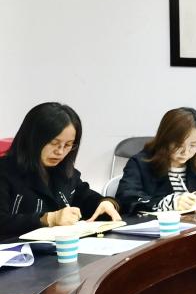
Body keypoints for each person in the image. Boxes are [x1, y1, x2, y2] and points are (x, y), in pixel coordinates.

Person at [0, 102, 120, 239]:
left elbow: (85, 197)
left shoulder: (64, 172)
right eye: (54, 143)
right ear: (32, 138)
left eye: (68, 145)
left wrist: (105, 203)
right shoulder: (5, 171)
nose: (60, 152)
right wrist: (47, 219)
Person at [115, 108, 196, 215]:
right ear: (165, 140)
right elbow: (126, 199)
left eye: (193, 145)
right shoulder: (140, 164)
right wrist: (170, 203)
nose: (185, 152)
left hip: (192, 224)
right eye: (178, 145)